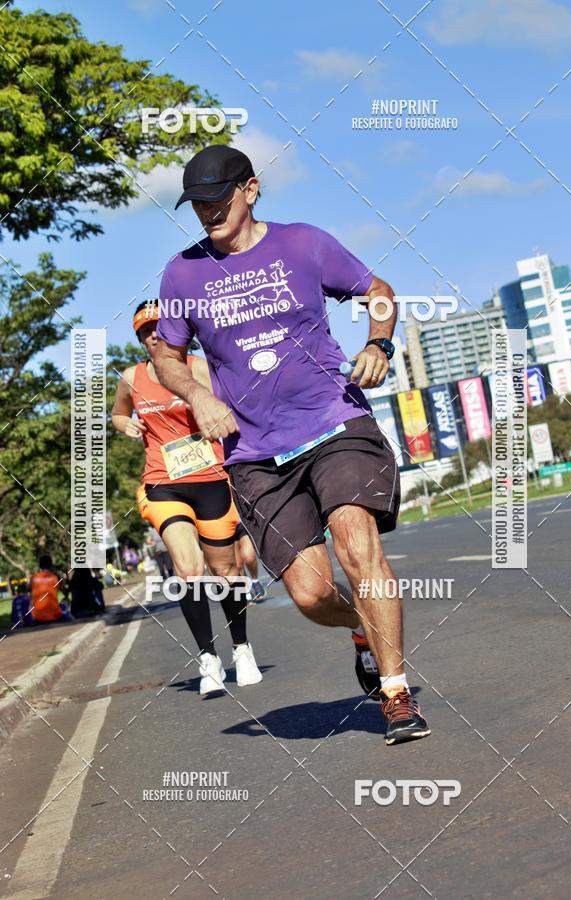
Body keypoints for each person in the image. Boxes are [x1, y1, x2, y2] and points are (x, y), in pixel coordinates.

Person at [153, 145, 430, 745]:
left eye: (217, 200)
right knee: (309, 593)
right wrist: (197, 395)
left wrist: (379, 344)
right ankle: (365, 625)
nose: (207, 213)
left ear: (250, 190)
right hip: (256, 452)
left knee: (357, 543)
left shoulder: (304, 243)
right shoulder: (182, 272)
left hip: (334, 421)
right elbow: (167, 354)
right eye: (197, 205)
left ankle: (396, 694)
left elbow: (377, 290)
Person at [111, 300, 262, 694]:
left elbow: (236, 408)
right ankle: (208, 658)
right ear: (140, 341)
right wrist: (124, 422)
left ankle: (241, 649)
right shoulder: (131, 378)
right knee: (187, 569)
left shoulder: (199, 370)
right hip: (164, 482)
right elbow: (118, 414)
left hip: (211, 478)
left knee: (226, 572)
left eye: (159, 327)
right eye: (145, 331)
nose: (154, 335)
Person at [30, 555, 69, 624]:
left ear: (40, 565)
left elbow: (30, 594)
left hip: (37, 617)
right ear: (51, 565)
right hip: (55, 616)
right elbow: (65, 592)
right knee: (72, 619)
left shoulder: (33, 578)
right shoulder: (56, 576)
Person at [234, 523, 266, 603]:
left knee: (249, 557)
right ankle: (246, 588)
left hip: (240, 522)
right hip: (224, 526)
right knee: (238, 564)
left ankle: (255, 581)